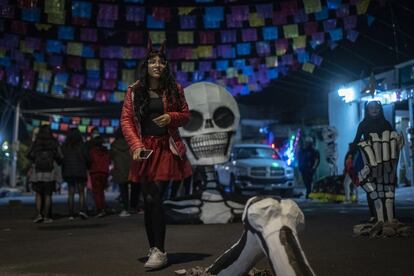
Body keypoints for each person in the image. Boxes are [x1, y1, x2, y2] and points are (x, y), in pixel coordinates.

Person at [121, 39, 192, 270]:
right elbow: (127, 121)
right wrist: (135, 146)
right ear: (146, 64)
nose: (157, 64)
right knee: (148, 201)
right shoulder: (134, 91)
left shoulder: (175, 89)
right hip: (145, 150)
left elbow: (185, 115)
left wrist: (171, 117)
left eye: (161, 61)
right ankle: (153, 247)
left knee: (155, 198)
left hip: (166, 148)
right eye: (152, 61)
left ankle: (160, 252)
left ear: (166, 66)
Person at [350, 101, 396, 225]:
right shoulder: (363, 124)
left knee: (387, 187)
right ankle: (374, 215)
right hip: (369, 160)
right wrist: (351, 152)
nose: (374, 110)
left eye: (377, 108)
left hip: (385, 159)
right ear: (367, 110)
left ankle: (390, 216)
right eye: (371, 108)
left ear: (380, 109)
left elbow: (393, 137)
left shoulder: (386, 124)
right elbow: (356, 140)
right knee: (372, 188)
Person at [27, 124, 62, 223]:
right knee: (48, 195)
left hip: (37, 172)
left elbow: (28, 154)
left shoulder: (36, 142)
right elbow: (60, 156)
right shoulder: (54, 142)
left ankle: (39, 215)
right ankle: (47, 217)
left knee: (38, 194)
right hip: (50, 172)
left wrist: (35, 160)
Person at [61, 127, 90, 220]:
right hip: (80, 171)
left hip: (69, 171)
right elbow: (87, 158)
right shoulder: (82, 145)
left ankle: (70, 214)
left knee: (71, 193)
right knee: (81, 193)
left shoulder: (65, 146)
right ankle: (82, 211)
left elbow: (62, 159)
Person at [110, 128, 134, 217]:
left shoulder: (114, 145)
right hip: (131, 170)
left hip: (120, 170)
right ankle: (133, 207)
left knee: (123, 191)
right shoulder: (131, 143)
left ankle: (125, 208)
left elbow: (111, 157)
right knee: (134, 189)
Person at [89, 135, 110, 217]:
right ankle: (102, 207)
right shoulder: (106, 151)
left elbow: (90, 160)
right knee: (101, 191)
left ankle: (99, 209)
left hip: (95, 172)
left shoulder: (92, 151)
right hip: (104, 172)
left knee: (96, 192)